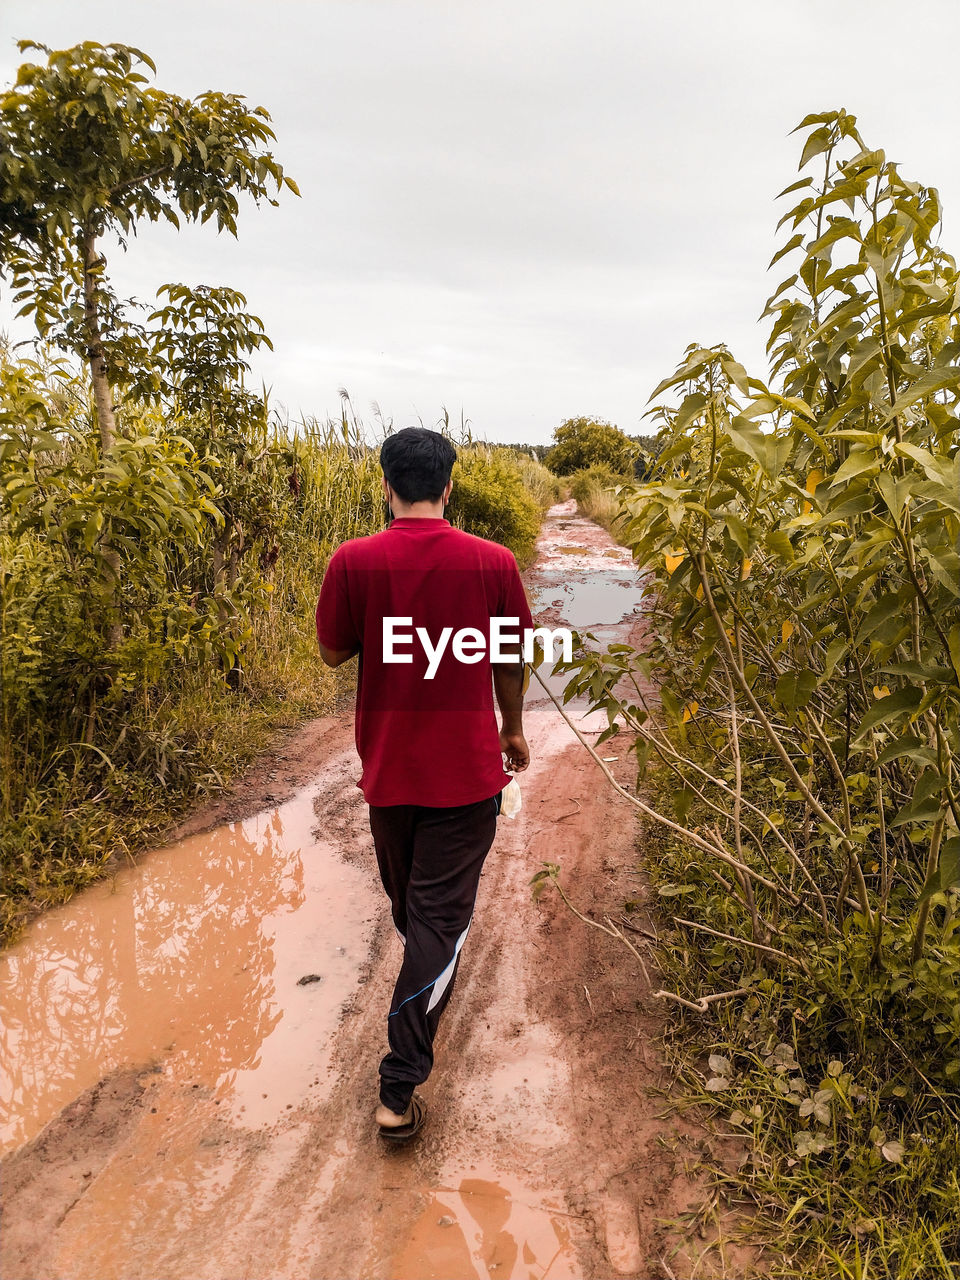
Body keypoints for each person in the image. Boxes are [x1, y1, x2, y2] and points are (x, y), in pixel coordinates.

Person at [315, 427, 533, 1141]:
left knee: (424, 918)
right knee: (425, 922)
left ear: (385, 485)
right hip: (466, 778)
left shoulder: (353, 562)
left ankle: (397, 1086)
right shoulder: (492, 563)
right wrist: (511, 728)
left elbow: (331, 651)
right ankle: (422, 1003)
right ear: (449, 487)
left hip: (388, 776)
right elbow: (509, 658)